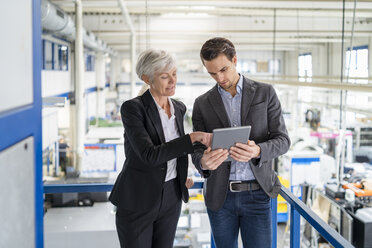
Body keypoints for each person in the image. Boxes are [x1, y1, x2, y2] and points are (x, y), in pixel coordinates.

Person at [191, 37, 291, 248]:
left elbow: (283, 141)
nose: (219, 78)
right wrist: (203, 162)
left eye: (224, 69)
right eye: (212, 73)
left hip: (257, 194)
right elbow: (197, 150)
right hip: (220, 197)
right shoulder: (202, 104)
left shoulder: (265, 93)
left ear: (235, 59)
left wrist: (257, 151)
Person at [109, 49, 212, 248]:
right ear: (146, 78)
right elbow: (149, 155)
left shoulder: (179, 108)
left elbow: (178, 152)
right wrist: (190, 139)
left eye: (174, 74)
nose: (172, 81)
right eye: (165, 76)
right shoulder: (133, 109)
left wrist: (184, 172)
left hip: (171, 197)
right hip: (138, 199)